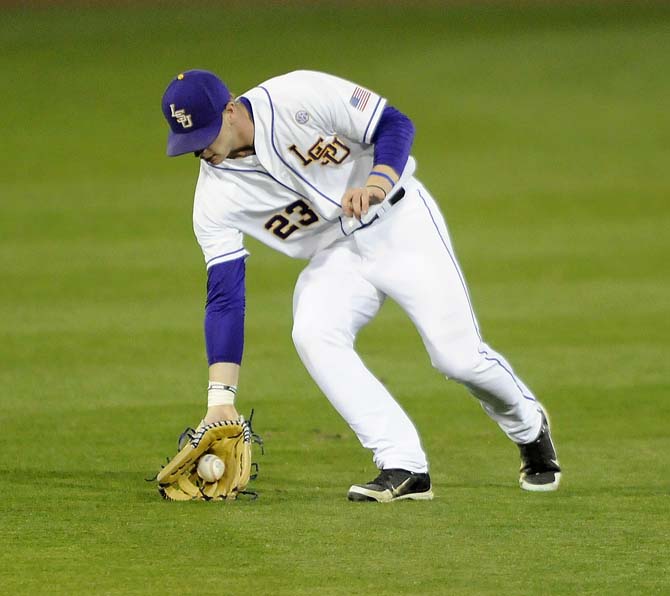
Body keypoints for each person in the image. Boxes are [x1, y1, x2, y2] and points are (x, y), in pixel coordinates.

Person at [160, 69, 561, 502]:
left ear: (231, 109)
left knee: (458, 358)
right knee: (313, 333)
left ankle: (528, 426)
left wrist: (377, 182)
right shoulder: (213, 200)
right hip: (336, 256)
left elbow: (394, 123)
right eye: (190, 144)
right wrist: (220, 398)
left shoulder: (298, 94)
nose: (201, 150)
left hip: (400, 225)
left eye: (205, 134)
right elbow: (225, 295)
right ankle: (403, 464)